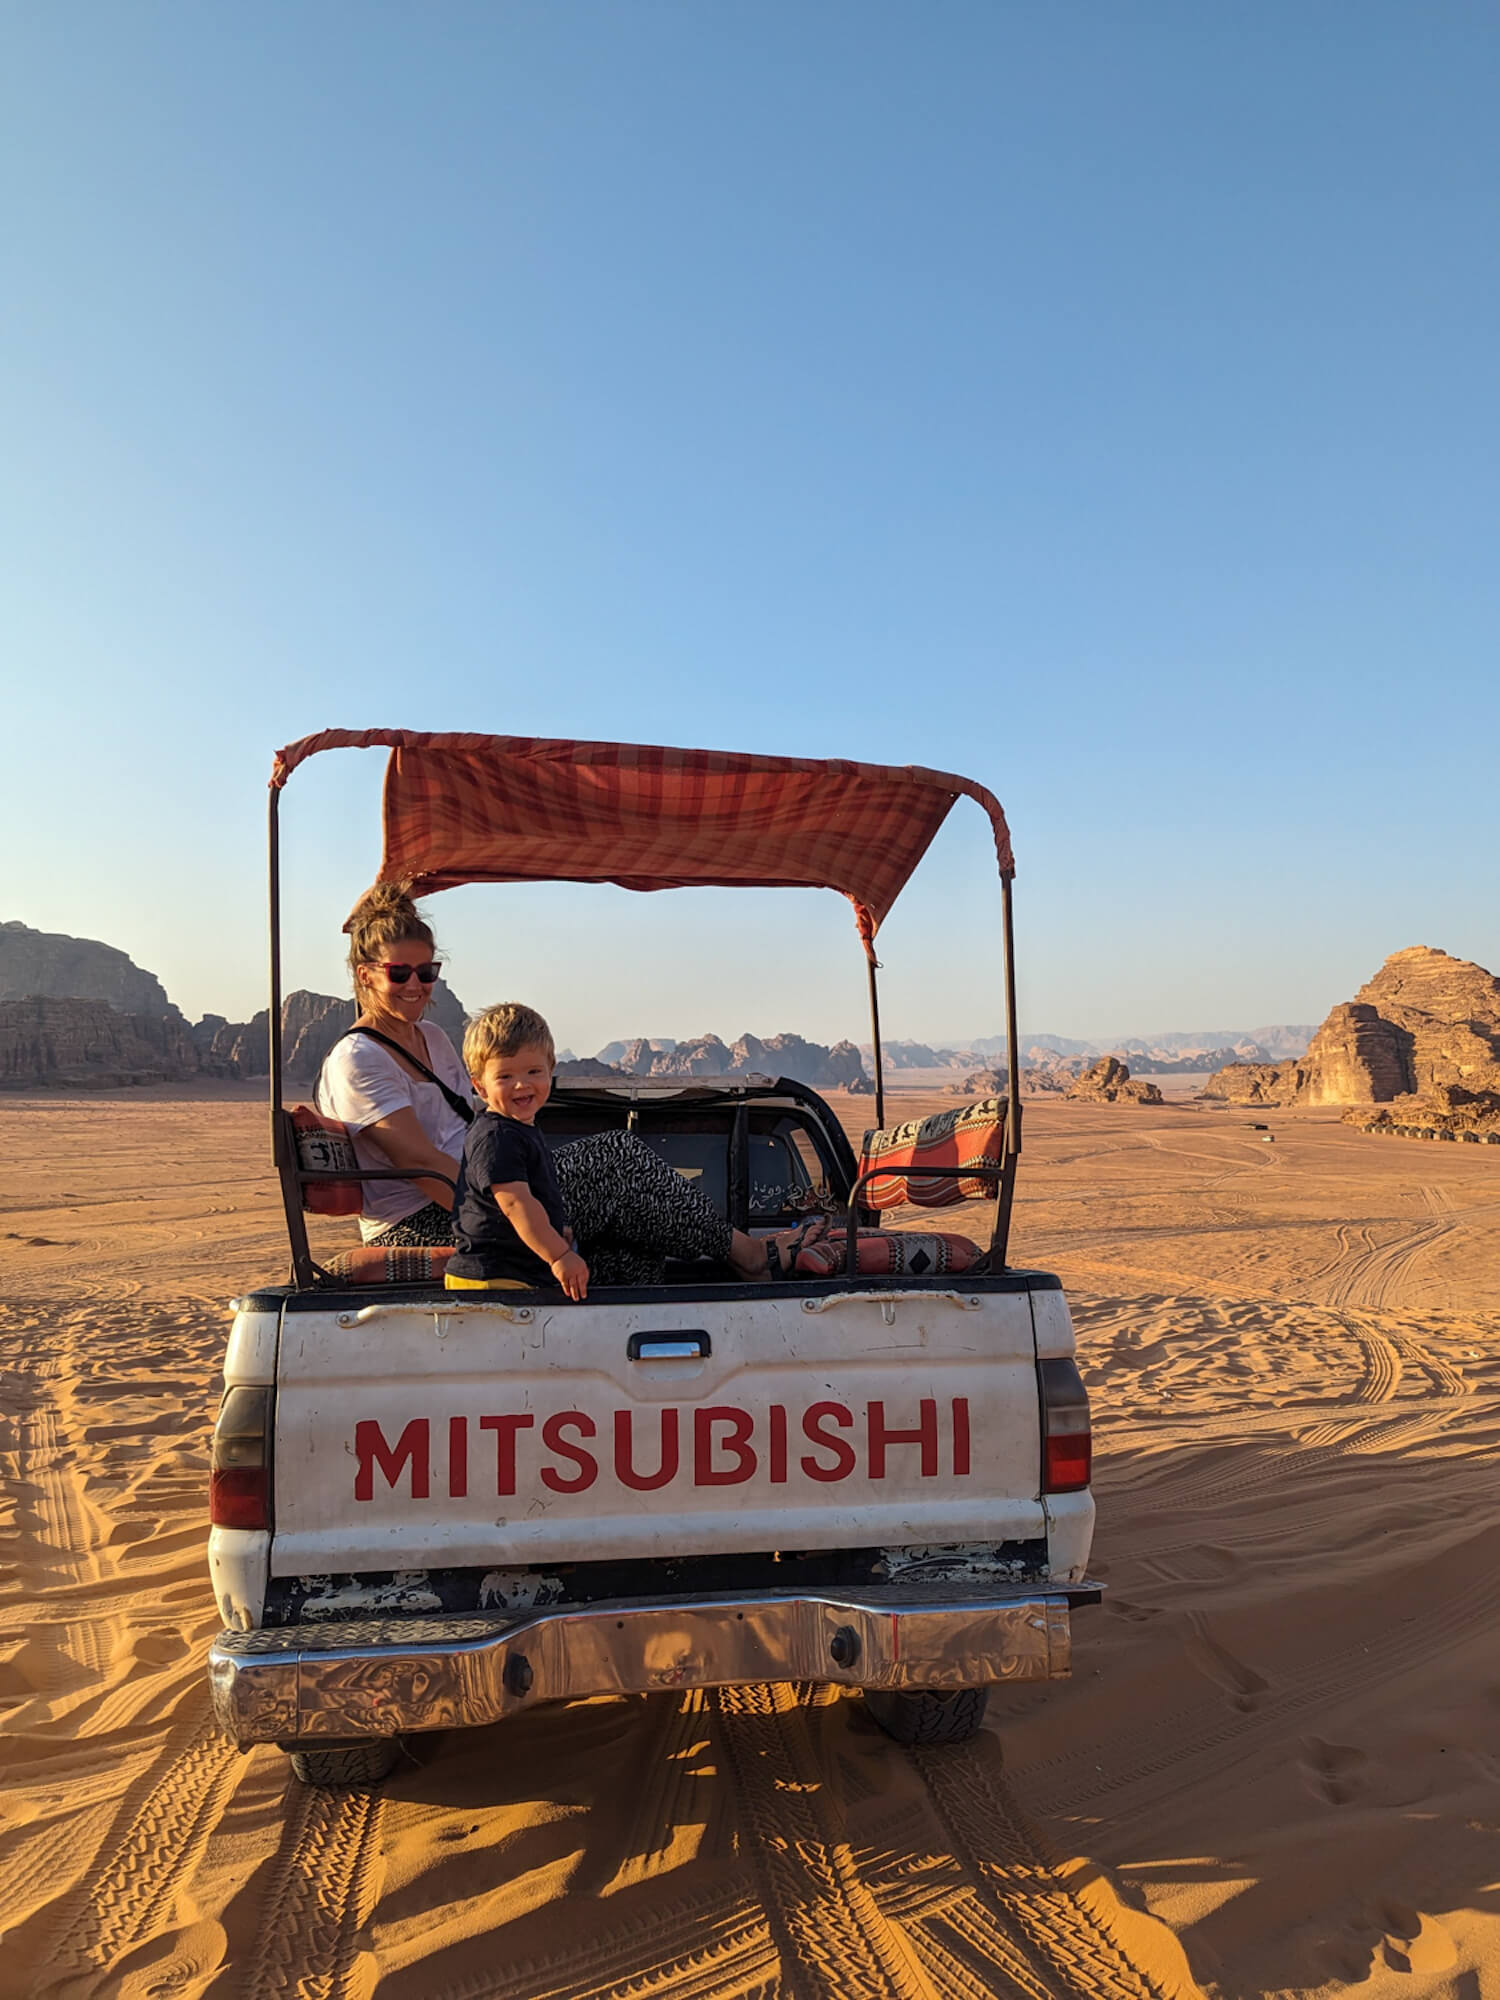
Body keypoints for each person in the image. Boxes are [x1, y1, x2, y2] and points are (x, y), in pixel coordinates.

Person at [445, 1002, 826, 1293]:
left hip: (522, 1269)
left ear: (551, 1070)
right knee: (619, 1152)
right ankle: (750, 1254)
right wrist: (559, 1255)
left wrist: (560, 1230)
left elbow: (537, 1195)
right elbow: (516, 1204)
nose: (521, 1085)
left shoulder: (519, 1129)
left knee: (636, 1247)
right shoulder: (497, 1137)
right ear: (479, 1086)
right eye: (505, 1076)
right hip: (498, 1278)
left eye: (533, 1072)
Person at [315, 883, 474, 1247]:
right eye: (399, 973)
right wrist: (514, 1216)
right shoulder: (359, 1058)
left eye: (426, 972)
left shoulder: (433, 1037)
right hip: (418, 1220)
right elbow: (423, 1165)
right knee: (607, 1157)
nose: (415, 985)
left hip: (478, 1189)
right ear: (365, 975)